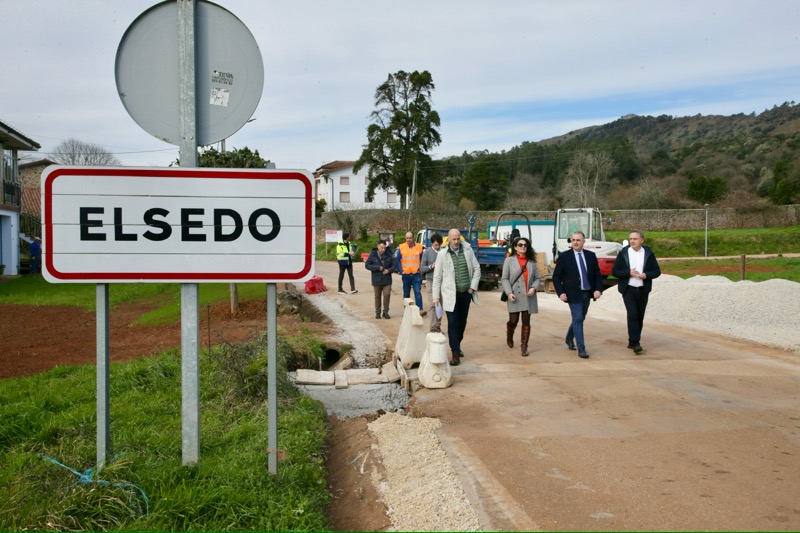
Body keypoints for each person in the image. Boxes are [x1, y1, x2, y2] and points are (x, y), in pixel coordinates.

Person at [432, 228, 481, 366]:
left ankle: (457, 345)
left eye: (458, 238)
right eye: (453, 239)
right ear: (448, 239)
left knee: (462, 322)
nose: (456, 241)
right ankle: (454, 353)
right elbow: (437, 277)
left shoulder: (468, 250)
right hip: (450, 295)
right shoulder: (442, 254)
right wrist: (435, 296)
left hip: (465, 293)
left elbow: (477, 269)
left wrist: (472, 288)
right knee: (452, 323)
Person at [551, 231, 603, 358]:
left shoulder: (591, 256)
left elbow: (597, 275)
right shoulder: (564, 256)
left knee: (579, 318)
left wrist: (598, 289)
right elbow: (556, 276)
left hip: (586, 293)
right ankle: (582, 348)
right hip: (572, 293)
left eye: (578, 240)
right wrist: (561, 292)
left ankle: (569, 338)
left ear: (583, 242)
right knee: (578, 318)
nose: (575, 242)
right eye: (573, 240)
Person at [611, 230, 661, 354]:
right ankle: (636, 342)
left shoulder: (648, 253)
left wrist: (646, 275)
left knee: (639, 317)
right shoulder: (623, 253)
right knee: (632, 314)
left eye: (635, 239)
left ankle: (632, 341)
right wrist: (628, 272)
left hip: (643, 290)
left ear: (641, 240)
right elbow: (615, 271)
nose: (632, 241)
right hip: (628, 289)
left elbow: (657, 271)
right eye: (630, 239)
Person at [501, 236, 542, 357]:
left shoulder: (532, 262)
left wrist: (534, 288)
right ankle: (510, 335)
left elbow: (538, 278)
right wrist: (509, 293)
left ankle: (524, 346)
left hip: (528, 295)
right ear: (515, 247)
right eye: (520, 245)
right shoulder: (509, 260)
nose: (523, 247)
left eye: (525, 245)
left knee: (526, 320)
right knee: (513, 321)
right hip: (514, 295)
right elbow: (504, 279)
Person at [365, 239, 396, 319]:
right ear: (378, 246)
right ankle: (378, 312)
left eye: (384, 248)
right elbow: (367, 265)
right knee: (377, 296)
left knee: (387, 295)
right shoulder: (373, 255)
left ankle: (385, 312)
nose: (383, 249)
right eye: (382, 248)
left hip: (387, 279)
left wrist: (388, 270)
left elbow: (394, 265)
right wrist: (378, 268)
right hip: (377, 279)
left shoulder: (389, 254)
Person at [396, 231, 425, 315]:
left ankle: (420, 309)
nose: (408, 239)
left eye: (410, 238)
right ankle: (407, 310)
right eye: (407, 238)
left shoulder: (419, 247)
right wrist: (401, 271)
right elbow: (397, 260)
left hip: (416, 274)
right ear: (405, 238)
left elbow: (423, 260)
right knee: (406, 292)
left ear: (413, 238)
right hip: (406, 274)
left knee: (417, 291)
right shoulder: (401, 247)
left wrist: (420, 269)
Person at [420, 232, 443, 332]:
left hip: (442, 282)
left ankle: (438, 325)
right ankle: (433, 327)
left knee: (440, 305)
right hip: (431, 281)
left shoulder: (444, 252)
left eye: (439, 245)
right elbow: (422, 268)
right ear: (432, 243)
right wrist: (431, 266)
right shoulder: (427, 252)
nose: (437, 247)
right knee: (432, 304)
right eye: (436, 245)